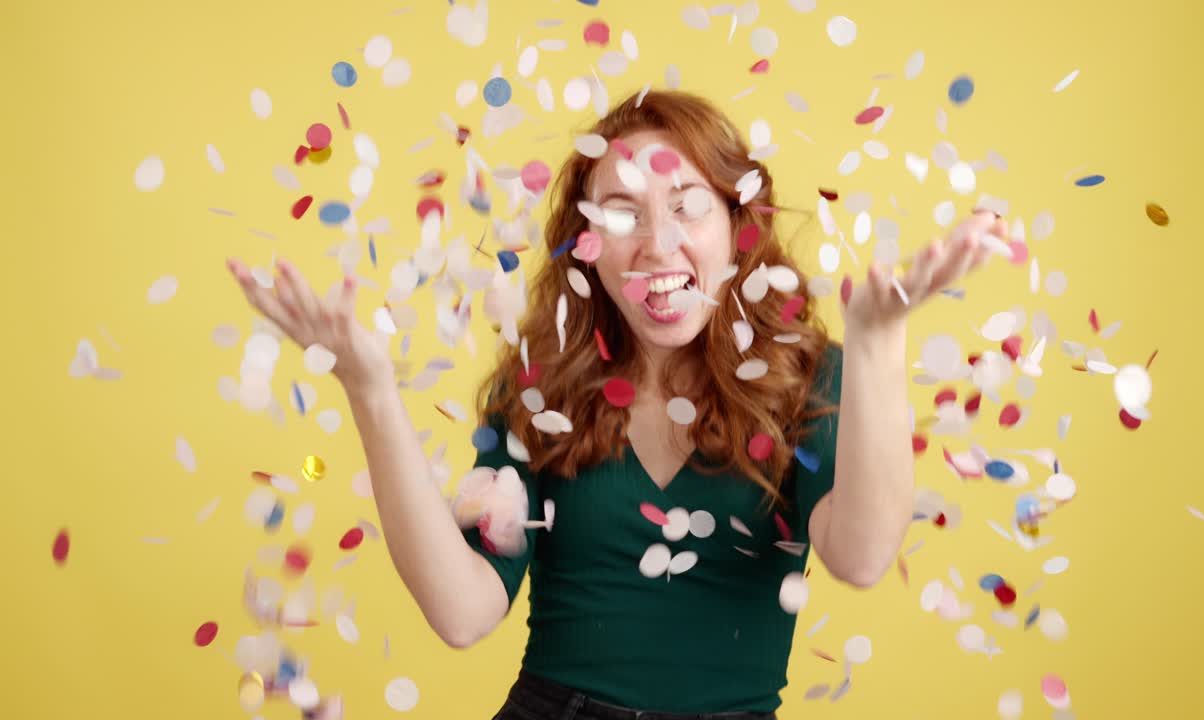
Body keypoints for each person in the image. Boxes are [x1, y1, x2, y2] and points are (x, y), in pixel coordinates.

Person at [227, 88, 1003, 720]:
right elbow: (462, 614)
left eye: (687, 204)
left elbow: (861, 557)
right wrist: (370, 391)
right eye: (623, 213)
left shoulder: (807, 377)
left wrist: (874, 346)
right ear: (587, 249)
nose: (658, 244)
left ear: (737, 225)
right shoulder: (541, 384)